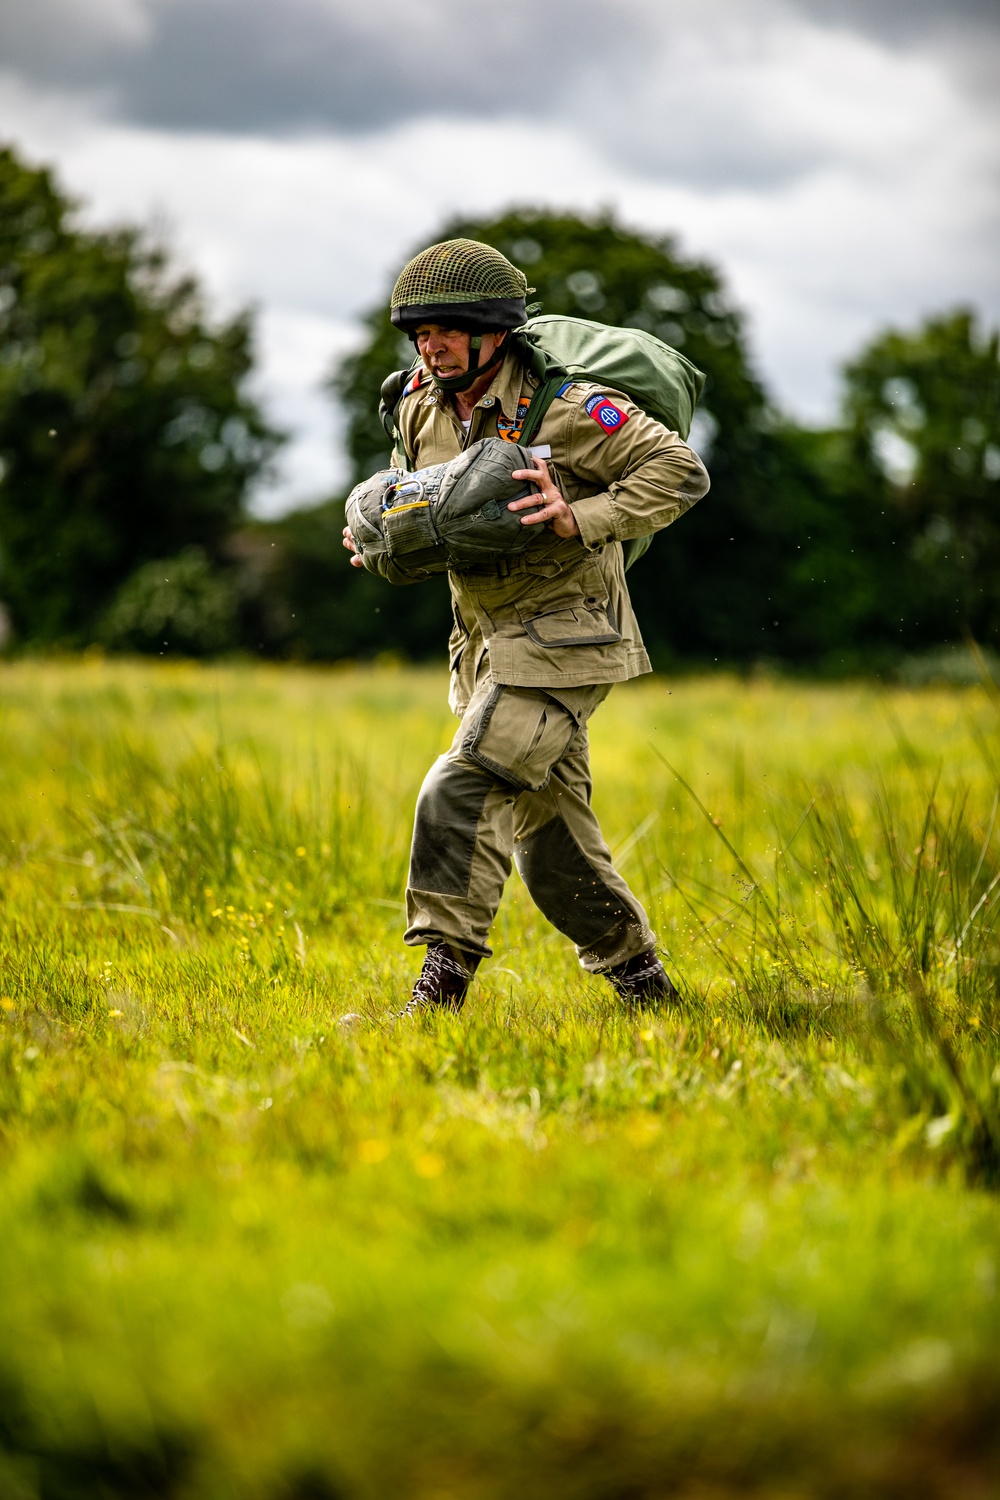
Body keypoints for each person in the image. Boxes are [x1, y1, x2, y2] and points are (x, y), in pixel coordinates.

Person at [342, 238, 709, 1013]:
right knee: (552, 838)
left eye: (444, 329)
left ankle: (436, 1000)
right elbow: (429, 515)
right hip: (480, 645)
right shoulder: (414, 405)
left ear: (492, 329)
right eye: (417, 333)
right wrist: (378, 542)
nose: (428, 346)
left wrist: (582, 515)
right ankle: (651, 996)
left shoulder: (571, 409)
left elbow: (680, 469)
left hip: (569, 639)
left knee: (464, 783)